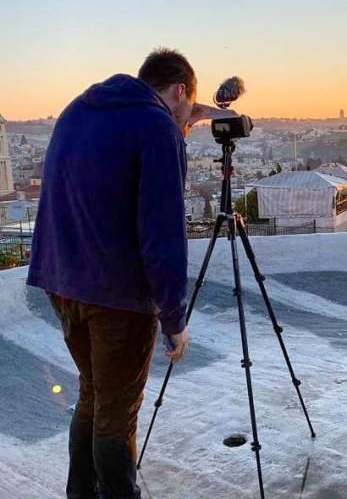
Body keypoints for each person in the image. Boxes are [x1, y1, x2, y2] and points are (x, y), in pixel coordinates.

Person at [27, 48, 213, 498]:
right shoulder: (156, 128)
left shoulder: (81, 109)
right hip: (116, 295)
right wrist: (174, 318)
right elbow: (162, 232)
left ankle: (81, 493)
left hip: (62, 281)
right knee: (116, 413)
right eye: (187, 110)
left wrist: (182, 118)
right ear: (180, 90)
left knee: (93, 395)